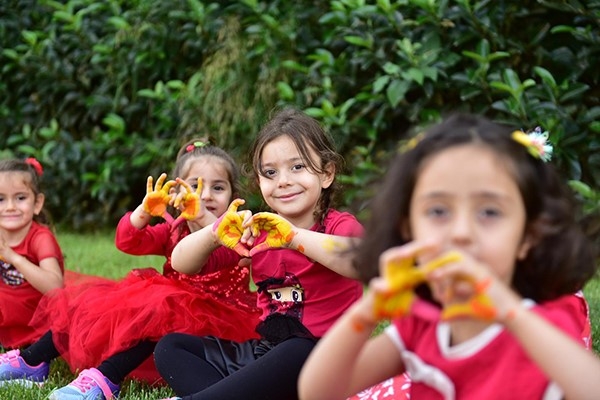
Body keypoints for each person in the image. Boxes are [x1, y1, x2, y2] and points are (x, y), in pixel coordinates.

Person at [298, 113, 600, 400]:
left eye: (490, 212)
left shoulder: (542, 323)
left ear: (528, 236)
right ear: (409, 228)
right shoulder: (422, 324)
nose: (461, 232)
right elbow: (318, 392)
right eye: (438, 211)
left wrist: (508, 309)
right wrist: (368, 311)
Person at [0, 139, 261, 399]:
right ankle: (32, 361)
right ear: (176, 193)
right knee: (93, 303)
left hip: (218, 319)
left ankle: (106, 378)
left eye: (218, 187)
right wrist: (144, 211)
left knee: (163, 308)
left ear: (233, 197)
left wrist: (204, 217)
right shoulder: (173, 230)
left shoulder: (237, 233)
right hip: (168, 311)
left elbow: (225, 254)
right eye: (195, 186)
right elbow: (127, 241)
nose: (205, 196)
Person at [153, 108, 364, 400]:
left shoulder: (338, 226)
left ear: (327, 174)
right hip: (268, 355)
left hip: (326, 362)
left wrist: (293, 237)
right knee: (171, 347)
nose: (283, 181)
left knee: (299, 346)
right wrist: (214, 232)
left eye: (298, 167)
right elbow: (182, 262)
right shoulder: (257, 232)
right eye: (270, 172)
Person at [0, 158, 64, 349]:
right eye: (0, 199)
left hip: (34, 317)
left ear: (37, 203)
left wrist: (13, 257)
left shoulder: (40, 238)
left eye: (20, 198)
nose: (10, 206)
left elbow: (55, 287)